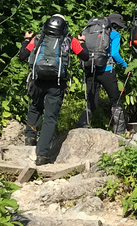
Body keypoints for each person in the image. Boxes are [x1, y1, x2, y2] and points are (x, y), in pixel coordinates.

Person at [19, 14, 89, 165]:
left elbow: (22, 55)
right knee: (50, 117)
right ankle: (42, 155)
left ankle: (30, 136)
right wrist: (82, 42)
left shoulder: (38, 38)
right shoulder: (69, 40)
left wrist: (26, 40)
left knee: (35, 107)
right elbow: (85, 56)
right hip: (57, 83)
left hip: (38, 80)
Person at [77, 13, 128, 134]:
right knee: (115, 100)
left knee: (91, 101)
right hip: (106, 70)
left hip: (91, 68)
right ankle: (119, 131)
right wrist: (125, 65)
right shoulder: (115, 34)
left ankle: (82, 127)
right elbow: (115, 54)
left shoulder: (91, 32)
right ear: (115, 25)